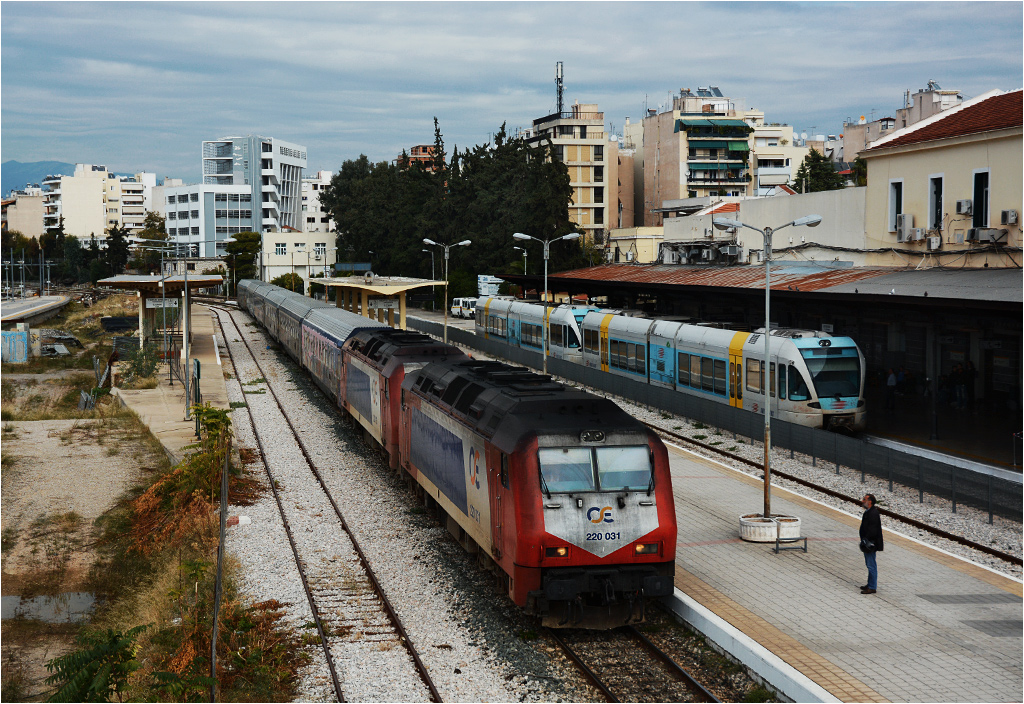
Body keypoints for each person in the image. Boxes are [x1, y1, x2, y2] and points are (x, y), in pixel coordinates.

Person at [859, 494, 883, 594]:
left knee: (871, 565)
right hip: (868, 543)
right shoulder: (869, 512)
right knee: (869, 564)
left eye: (864, 499)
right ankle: (870, 584)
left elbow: (872, 530)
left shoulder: (873, 513)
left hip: (870, 544)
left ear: (870, 502)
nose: (862, 501)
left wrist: (866, 541)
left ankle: (872, 586)